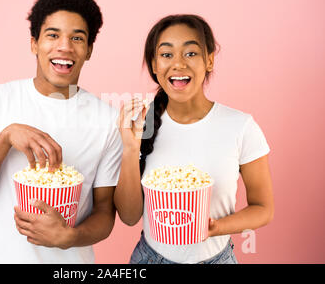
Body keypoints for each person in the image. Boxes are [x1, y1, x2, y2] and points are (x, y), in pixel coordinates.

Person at [0, 0, 123, 263]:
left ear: (89, 50)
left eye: (77, 38)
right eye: (52, 35)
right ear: (34, 43)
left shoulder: (109, 121)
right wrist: (6, 137)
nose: (64, 47)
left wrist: (72, 237)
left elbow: (105, 212)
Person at [115, 14, 274, 264]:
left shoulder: (241, 126)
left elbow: (263, 208)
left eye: (190, 53)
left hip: (217, 258)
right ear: (154, 66)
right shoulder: (138, 124)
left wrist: (215, 227)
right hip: (151, 258)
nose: (178, 64)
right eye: (166, 55)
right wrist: (129, 148)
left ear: (209, 60)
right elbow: (128, 216)